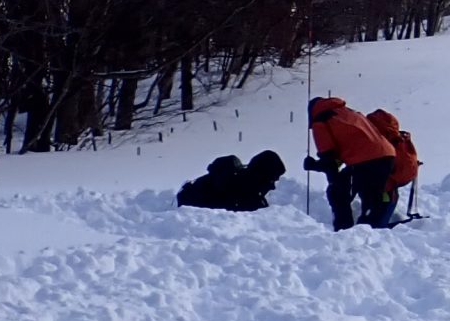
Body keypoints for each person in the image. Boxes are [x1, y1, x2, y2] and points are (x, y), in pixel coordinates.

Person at [305, 96, 396, 230]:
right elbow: (346, 150)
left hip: (366, 160)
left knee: (338, 192)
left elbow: (329, 158)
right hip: (387, 155)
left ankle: (346, 230)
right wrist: (320, 166)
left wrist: (315, 166)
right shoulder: (349, 112)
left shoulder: (320, 120)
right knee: (371, 195)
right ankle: (370, 227)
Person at [175, 150, 286, 211]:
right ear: (263, 175)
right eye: (272, 179)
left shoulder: (247, 183)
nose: (273, 186)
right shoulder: (242, 188)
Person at [366, 108, 419, 227]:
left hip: (382, 189)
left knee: (376, 223)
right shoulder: (398, 140)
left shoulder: (377, 142)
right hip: (390, 189)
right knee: (380, 217)